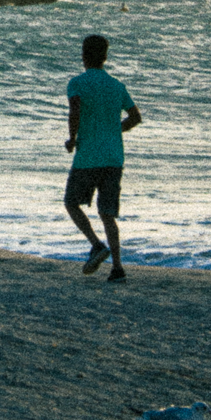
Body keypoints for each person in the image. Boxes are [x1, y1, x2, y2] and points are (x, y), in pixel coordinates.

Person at [64, 33, 141, 281]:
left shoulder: (77, 83)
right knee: (108, 213)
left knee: (71, 203)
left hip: (88, 156)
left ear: (83, 56)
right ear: (105, 58)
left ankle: (96, 245)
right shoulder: (117, 86)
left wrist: (72, 137)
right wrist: (116, 129)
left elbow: (75, 110)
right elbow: (135, 117)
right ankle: (117, 267)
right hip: (113, 157)